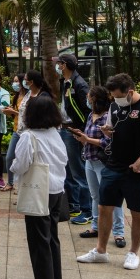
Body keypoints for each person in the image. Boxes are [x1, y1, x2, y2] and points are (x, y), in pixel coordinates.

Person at [77, 73, 140, 271]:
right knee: (104, 207)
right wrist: (107, 130)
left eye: (118, 96)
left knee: (137, 211)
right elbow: (112, 127)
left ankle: (133, 253)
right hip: (113, 164)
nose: (115, 100)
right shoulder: (114, 106)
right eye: (113, 97)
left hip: (137, 168)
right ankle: (100, 251)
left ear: (130, 92)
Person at [11, 95, 69, 279]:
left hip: (38, 191)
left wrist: (12, 170)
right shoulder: (55, 133)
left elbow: (21, 164)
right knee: (52, 239)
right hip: (56, 191)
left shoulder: (29, 136)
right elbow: (64, 159)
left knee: (38, 242)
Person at [72, 85, 127, 249]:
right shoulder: (91, 115)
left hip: (103, 162)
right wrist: (81, 136)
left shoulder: (108, 117)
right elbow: (88, 135)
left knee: (112, 198)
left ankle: (119, 232)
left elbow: (107, 142)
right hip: (89, 160)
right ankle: (96, 227)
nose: (87, 100)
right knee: (95, 196)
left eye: (89, 97)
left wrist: (87, 140)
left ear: (96, 99)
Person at [54, 54, 92, 225]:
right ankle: (74, 205)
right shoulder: (67, 82)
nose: (57, 66)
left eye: (59, 64)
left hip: (74, 131)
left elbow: (87, 110)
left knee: (78, 170)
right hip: (66, 128)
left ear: (65, 65)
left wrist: (82, 131)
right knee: (68, 168)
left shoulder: (79, 84)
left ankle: (87, 210)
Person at [0, 73, 25, 193]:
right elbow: (15, 113)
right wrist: (9, 112)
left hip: (26, 132)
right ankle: (10, 182)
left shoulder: (28, 97)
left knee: (24, 159)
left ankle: (22, 186)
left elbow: (27, 116)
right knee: (9, 157)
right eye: (14, 81)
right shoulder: (16, 96)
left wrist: (13, 112)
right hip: (16, 130)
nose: (15, 84)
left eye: (17, 81)